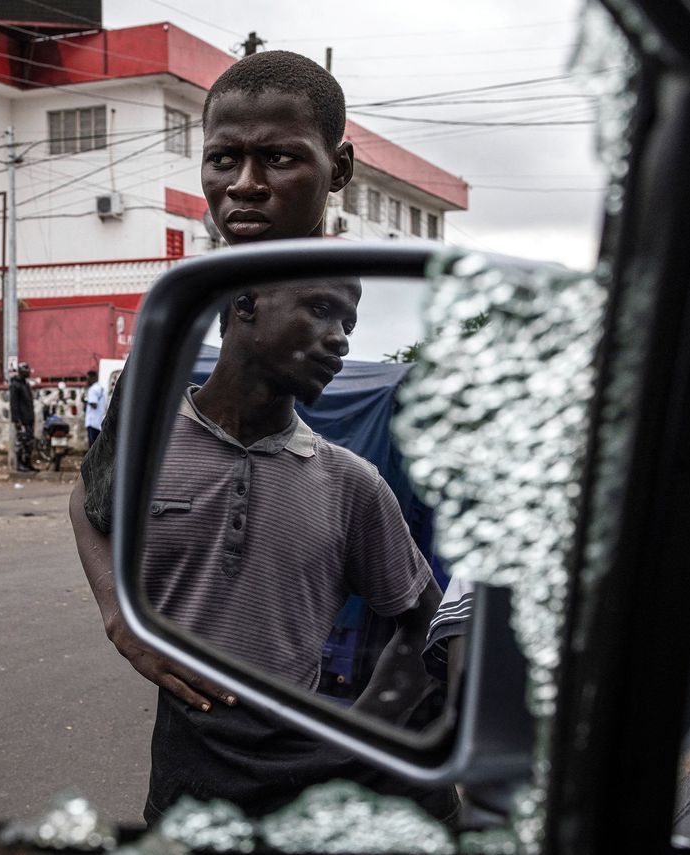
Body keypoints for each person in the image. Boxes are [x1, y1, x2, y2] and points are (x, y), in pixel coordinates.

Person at [69, 49, 452, 823]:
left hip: (376, 747)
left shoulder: (412, 312)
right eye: (224, 159)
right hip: (214, 750)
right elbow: (94, 500)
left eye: (278, 158)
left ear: (338, 168)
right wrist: (122, 615)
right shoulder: (172, 335)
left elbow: (442, 595)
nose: (245, 184)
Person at [8, 362, 37, 472]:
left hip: (29, 419)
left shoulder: (26, 385)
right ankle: (20, 464)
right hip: (22, 420)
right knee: (21, 442)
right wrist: (17, 420)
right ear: (21, 372)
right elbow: (13, 404)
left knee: (29, 443)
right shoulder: (15, 385)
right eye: (26, 371)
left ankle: (28, 464)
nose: (28, 373)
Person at [84, 369, 107, 447]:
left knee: (92, 447)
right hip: (100, 421)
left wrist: (85, 401)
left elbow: (94, 405)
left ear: (92, 378)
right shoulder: (102, 389)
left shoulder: (92, 390)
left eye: (88, 378)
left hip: (92, 422)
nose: (87, 380)